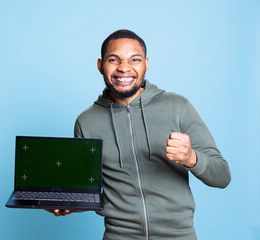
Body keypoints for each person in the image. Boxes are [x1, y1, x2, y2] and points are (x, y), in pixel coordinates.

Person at [46, 29, 231, 240]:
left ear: (146, 64)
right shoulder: (86, 121)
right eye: (113, 59)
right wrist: (72, 205)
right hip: (118, 235)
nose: (124, 67)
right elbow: (91, 192)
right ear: (100, 65)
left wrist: (191, 158)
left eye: (134, 59)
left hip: (179, 236)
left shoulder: (177, 106)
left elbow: (222, 176)